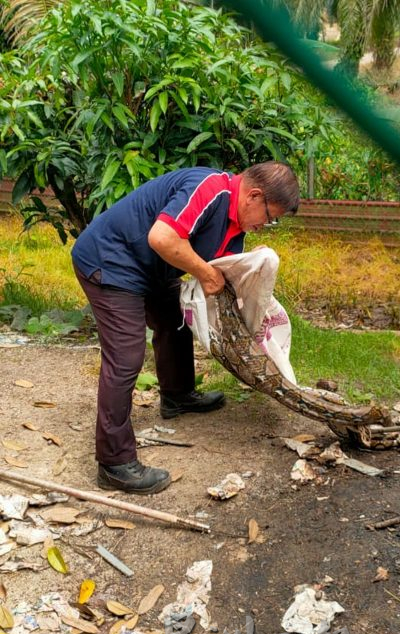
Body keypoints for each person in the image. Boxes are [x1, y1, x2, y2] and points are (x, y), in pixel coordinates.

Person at [72, 161, 300, 495]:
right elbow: (163, 237)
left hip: (148, 269)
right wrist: (206, 275)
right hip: (110, 261)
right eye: (270, 216)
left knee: (173, 321)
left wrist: (254, 261)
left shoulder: (236, 223)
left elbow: (222, 267)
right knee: (125, 358)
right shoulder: (210, 189)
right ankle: (114, 463)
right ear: (253, 195)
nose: (267, 224)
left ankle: (177, 396)